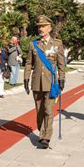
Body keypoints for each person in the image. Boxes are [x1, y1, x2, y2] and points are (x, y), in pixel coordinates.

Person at [24, 15, 65, 149]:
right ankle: (42, 131)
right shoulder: (33, 44)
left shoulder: (57, 44)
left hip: (51, 83)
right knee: (39, 111)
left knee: (48, 110)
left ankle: (45, 137)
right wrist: (26, 78)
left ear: (50, 27)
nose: (40, 29)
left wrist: (62, 79)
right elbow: (29, 63)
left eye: (43, 26)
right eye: (39, 26)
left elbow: (61, 64)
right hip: (37, 82)